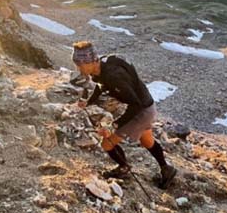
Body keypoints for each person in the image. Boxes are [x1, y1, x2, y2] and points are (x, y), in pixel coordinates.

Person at [72, 41, 177, 188]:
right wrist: (89, 102)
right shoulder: (101, 66)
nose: (78, 68)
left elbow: (135, 104)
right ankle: (167, 169)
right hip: (148, 106)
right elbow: (101, 85)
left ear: (91, 61)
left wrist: (113, 125)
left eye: (80, 65)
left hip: (141, 111)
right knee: (147, 140)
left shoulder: (114, 76)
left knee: (107, 143)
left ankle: (124, 168)